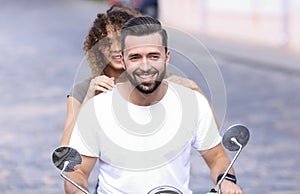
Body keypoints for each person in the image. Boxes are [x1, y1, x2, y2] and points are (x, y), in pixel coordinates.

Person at [66, 16, 243, 194]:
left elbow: (218, 158)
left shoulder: (193, 103)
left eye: (153, 56)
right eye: (135, 57)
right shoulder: (97, 108)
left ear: (166, 58)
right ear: (123, 60)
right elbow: (77, 171)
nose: (145, 66)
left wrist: (226, 181)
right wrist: (79, 190)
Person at [60, 4, 202, 146]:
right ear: (98, 48)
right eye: (108, 42)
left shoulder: (159, 84)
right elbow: (65, 151)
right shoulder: (83, 90)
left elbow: (210, 137)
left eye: (121, 41)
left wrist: (195, 91)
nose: (116, 49)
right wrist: (88, 101)